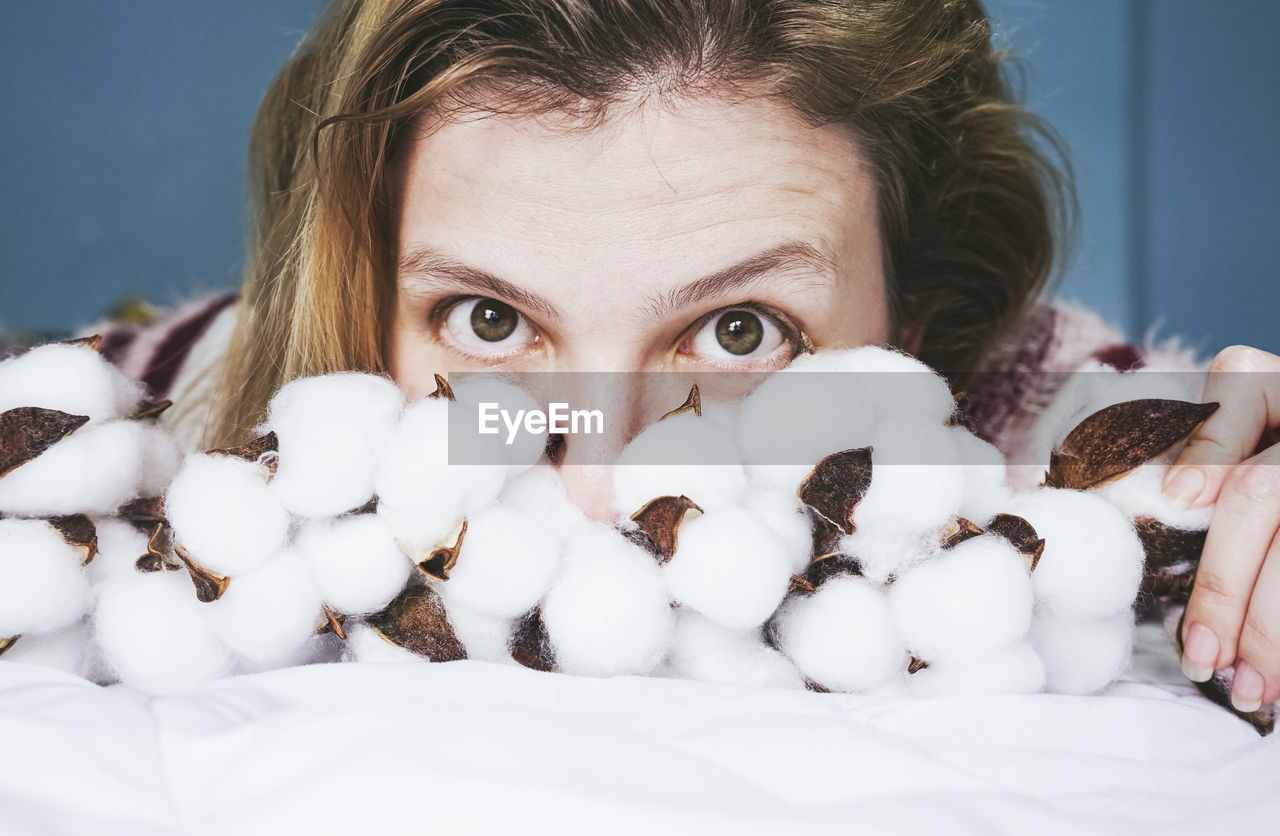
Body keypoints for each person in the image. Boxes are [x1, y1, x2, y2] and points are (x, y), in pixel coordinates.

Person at [97, 0, 1280, 715]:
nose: (601, 480)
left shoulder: (1003, 438)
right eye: (491, 323)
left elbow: (1182, 468)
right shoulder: (210, 415)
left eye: (737, 333)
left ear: (912, 328)